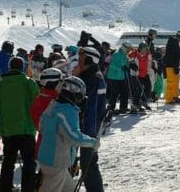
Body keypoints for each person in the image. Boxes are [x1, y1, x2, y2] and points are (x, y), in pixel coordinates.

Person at [37, 76, 100, 192]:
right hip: (55, 162)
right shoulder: (67, 111)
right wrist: (93, 142)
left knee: (69, 189)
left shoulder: (54, 105)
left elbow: (41, 126)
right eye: (80, 96)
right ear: (75, 94)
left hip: (47, 157)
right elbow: (74, 137)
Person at [0, 57, 39, 192]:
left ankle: (5, 189)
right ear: (22, 67)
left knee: (8, 162)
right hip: (26, 129)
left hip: (8, 130)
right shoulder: (29, 83)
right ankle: (27, 189)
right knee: (29, 163)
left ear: (10, 67)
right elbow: (37, 104)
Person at [75, 46, 107, 192]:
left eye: (81, 58)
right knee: (87, 163)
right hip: (87, 128)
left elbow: (87, 107)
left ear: (89, 59)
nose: (78, 61)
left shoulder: (90, 78)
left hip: (87, 129)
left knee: (88, 164)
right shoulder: (92, 75)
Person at [31, 68, 63, 157]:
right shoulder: (55, 102)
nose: (62, 84)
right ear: (53, 83)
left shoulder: (39, 99)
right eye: (60, 81)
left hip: (42, 148)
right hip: (54, 150)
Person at [106, 42, 131, 114]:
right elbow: (112, 65)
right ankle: (111, 108)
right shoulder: (117, 54)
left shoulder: (125, 55)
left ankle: (123, 108)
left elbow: (126, 64)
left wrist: (129, 65)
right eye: (128, 49)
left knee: (125, 91)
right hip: (113, 76)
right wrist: (121, 67)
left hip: (120, 77)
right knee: (115, 92)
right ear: (124, 48)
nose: (129, 50)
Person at [164, 31, 180, 104]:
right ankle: (169, 99)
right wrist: (175, 66)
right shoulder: (172, 43)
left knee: (175, 82)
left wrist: (176, 66)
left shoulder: (175, 43)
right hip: (170, 66)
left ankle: (174, 96)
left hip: (174, 66)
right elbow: (171, 56)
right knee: (171, 83)